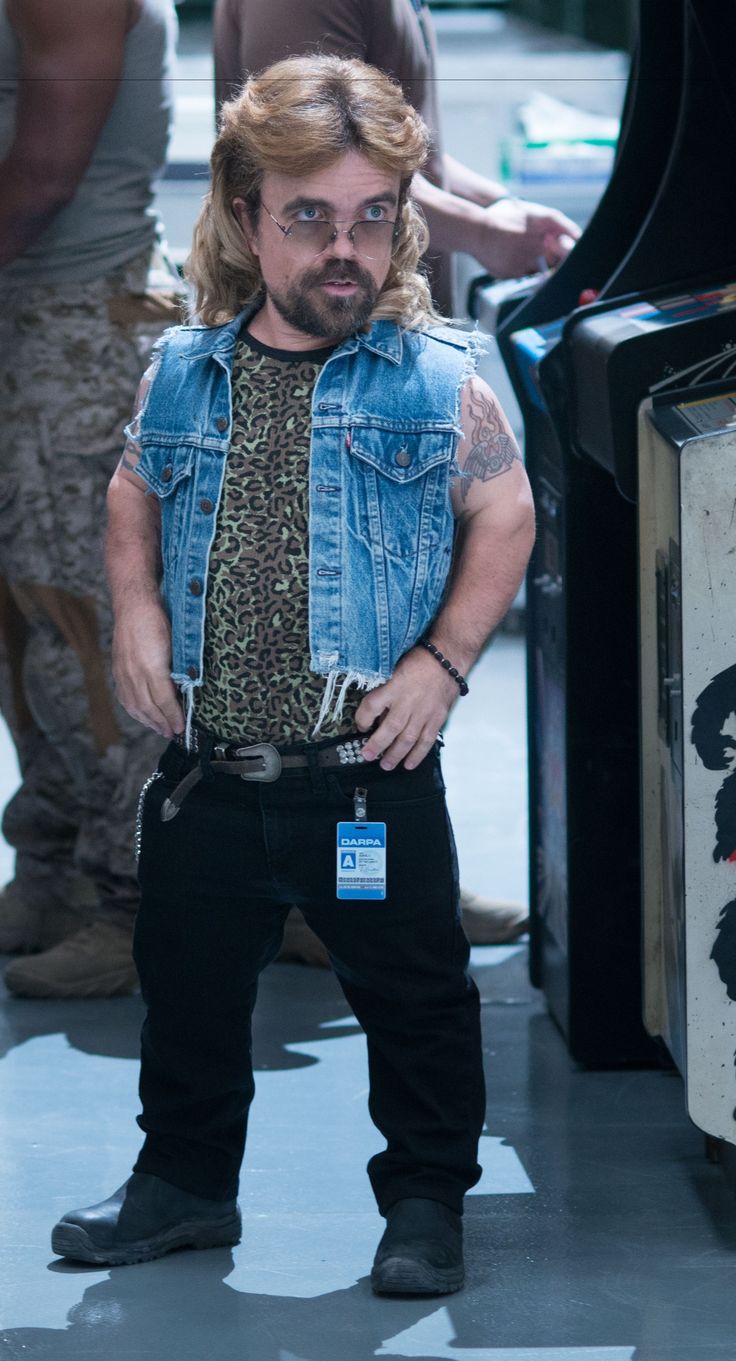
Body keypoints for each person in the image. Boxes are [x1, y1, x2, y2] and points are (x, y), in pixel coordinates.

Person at [51, 55, 535, 1292]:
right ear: (246, 214)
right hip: (216, 767)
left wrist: (441, 661)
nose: (344, 249)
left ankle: (424, 1198)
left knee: (416, 995)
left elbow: (507, 516)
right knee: (187, 987)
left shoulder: (435, 380)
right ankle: (184, 1183)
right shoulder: (186, 372)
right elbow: (131, 490)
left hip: (366, 773)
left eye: (372, 216)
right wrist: (137, 621)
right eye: (310, 217)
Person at [214, 0, 568, 953]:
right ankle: (321, 900)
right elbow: (324, 169)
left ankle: (383, 883)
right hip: (329, 363)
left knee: (387, 657)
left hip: (377, 365)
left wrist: (500, 215)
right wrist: (488, 240)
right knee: (332, 648)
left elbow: (398, 154)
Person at [0, 0, 183, 997]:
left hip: (76, 316)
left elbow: (41, 174)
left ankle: (131, 898)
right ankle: (58, 863)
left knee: (85, 622)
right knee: (26, 626)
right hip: (34, 311)